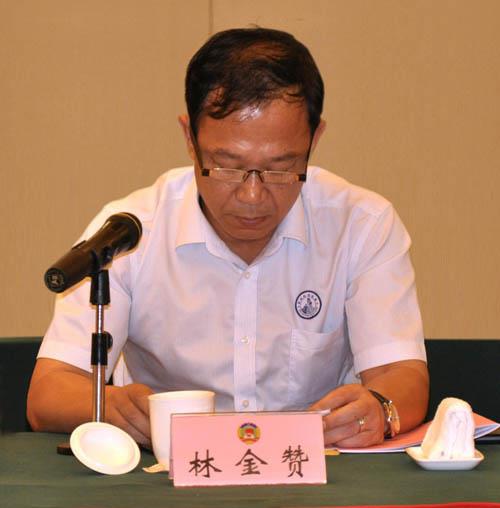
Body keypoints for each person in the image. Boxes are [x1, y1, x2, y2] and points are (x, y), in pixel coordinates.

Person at [27, 27, 429, 449]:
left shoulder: (361, 224)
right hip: (167, 472)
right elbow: (49, 392)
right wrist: (110, 407)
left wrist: (380, 409)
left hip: (317, 466)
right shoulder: (130, 231)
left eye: (281, 167)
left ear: (314, 139)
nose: (252, 195)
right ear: (190, 138)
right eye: (227, 166)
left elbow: (401, 375)